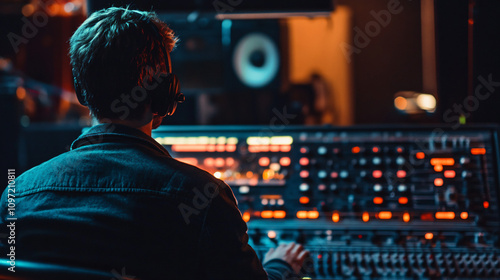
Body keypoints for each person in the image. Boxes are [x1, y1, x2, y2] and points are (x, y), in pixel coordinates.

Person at [0, 7, 309, 280]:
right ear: (164, 95)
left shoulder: (16, 196)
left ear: (81, 95)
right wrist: (281, 267)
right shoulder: (203, 197)